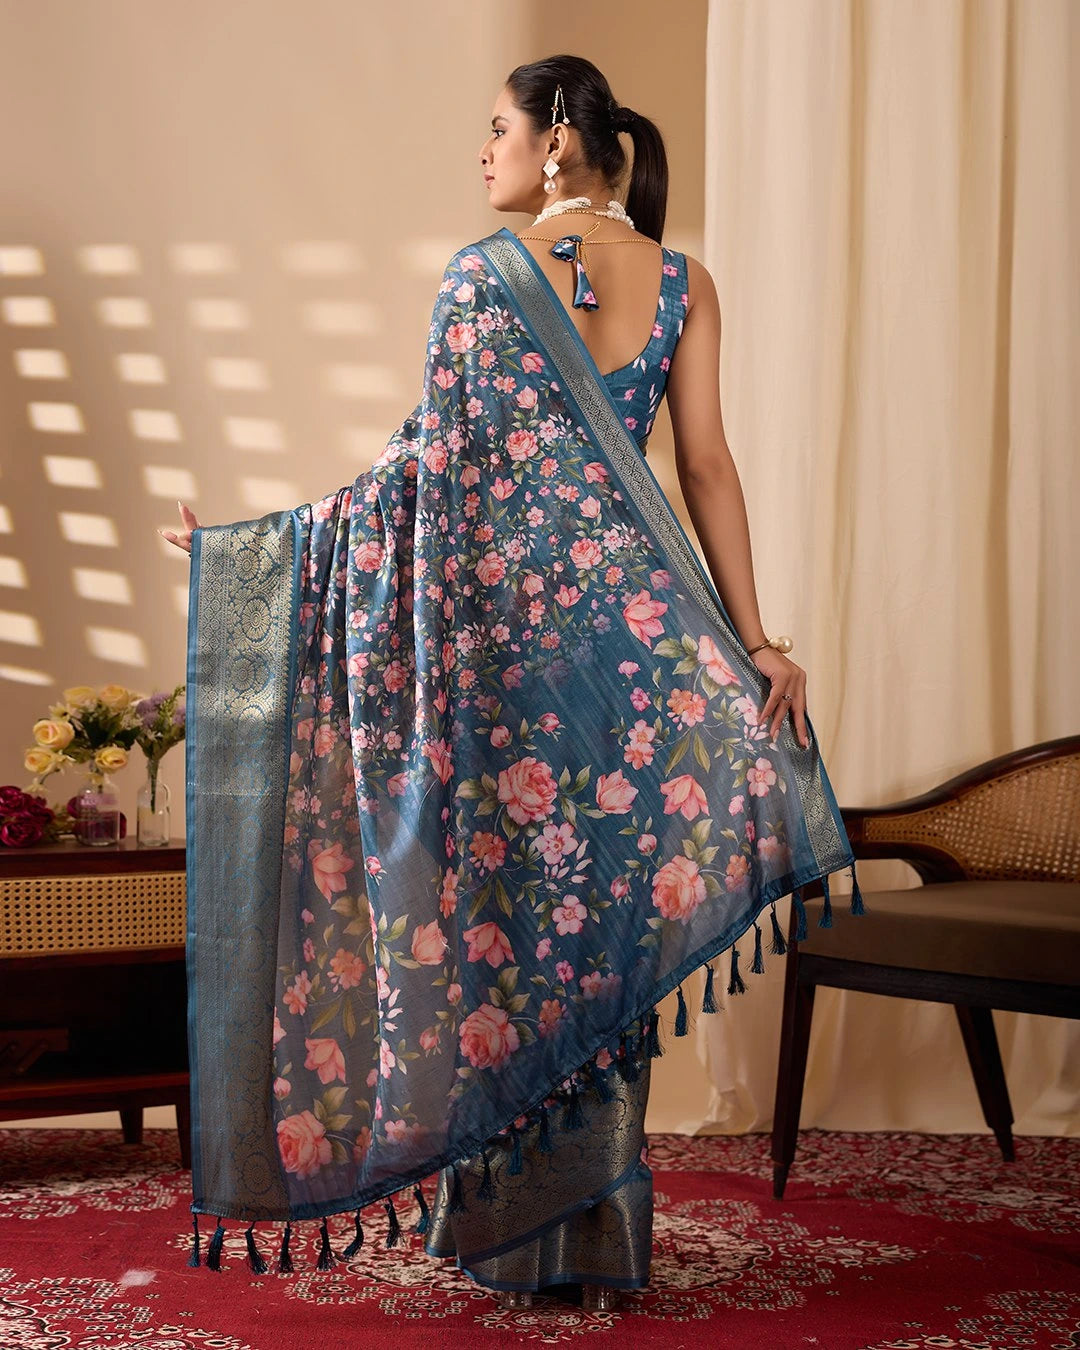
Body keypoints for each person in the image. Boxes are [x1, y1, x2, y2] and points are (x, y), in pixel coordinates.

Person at [163, 53, 861, 1312]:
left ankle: (534, 1244)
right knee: (601, 928)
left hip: (505, 668)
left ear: (555, 141)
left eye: (494, 129)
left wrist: (258, 561)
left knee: (517, 941)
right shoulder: (687, 284)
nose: (478, 153)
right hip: (635, 672)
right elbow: (709, 469)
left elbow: (421, 479)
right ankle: (599, 1235)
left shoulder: (480, 283)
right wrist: (757, 641)